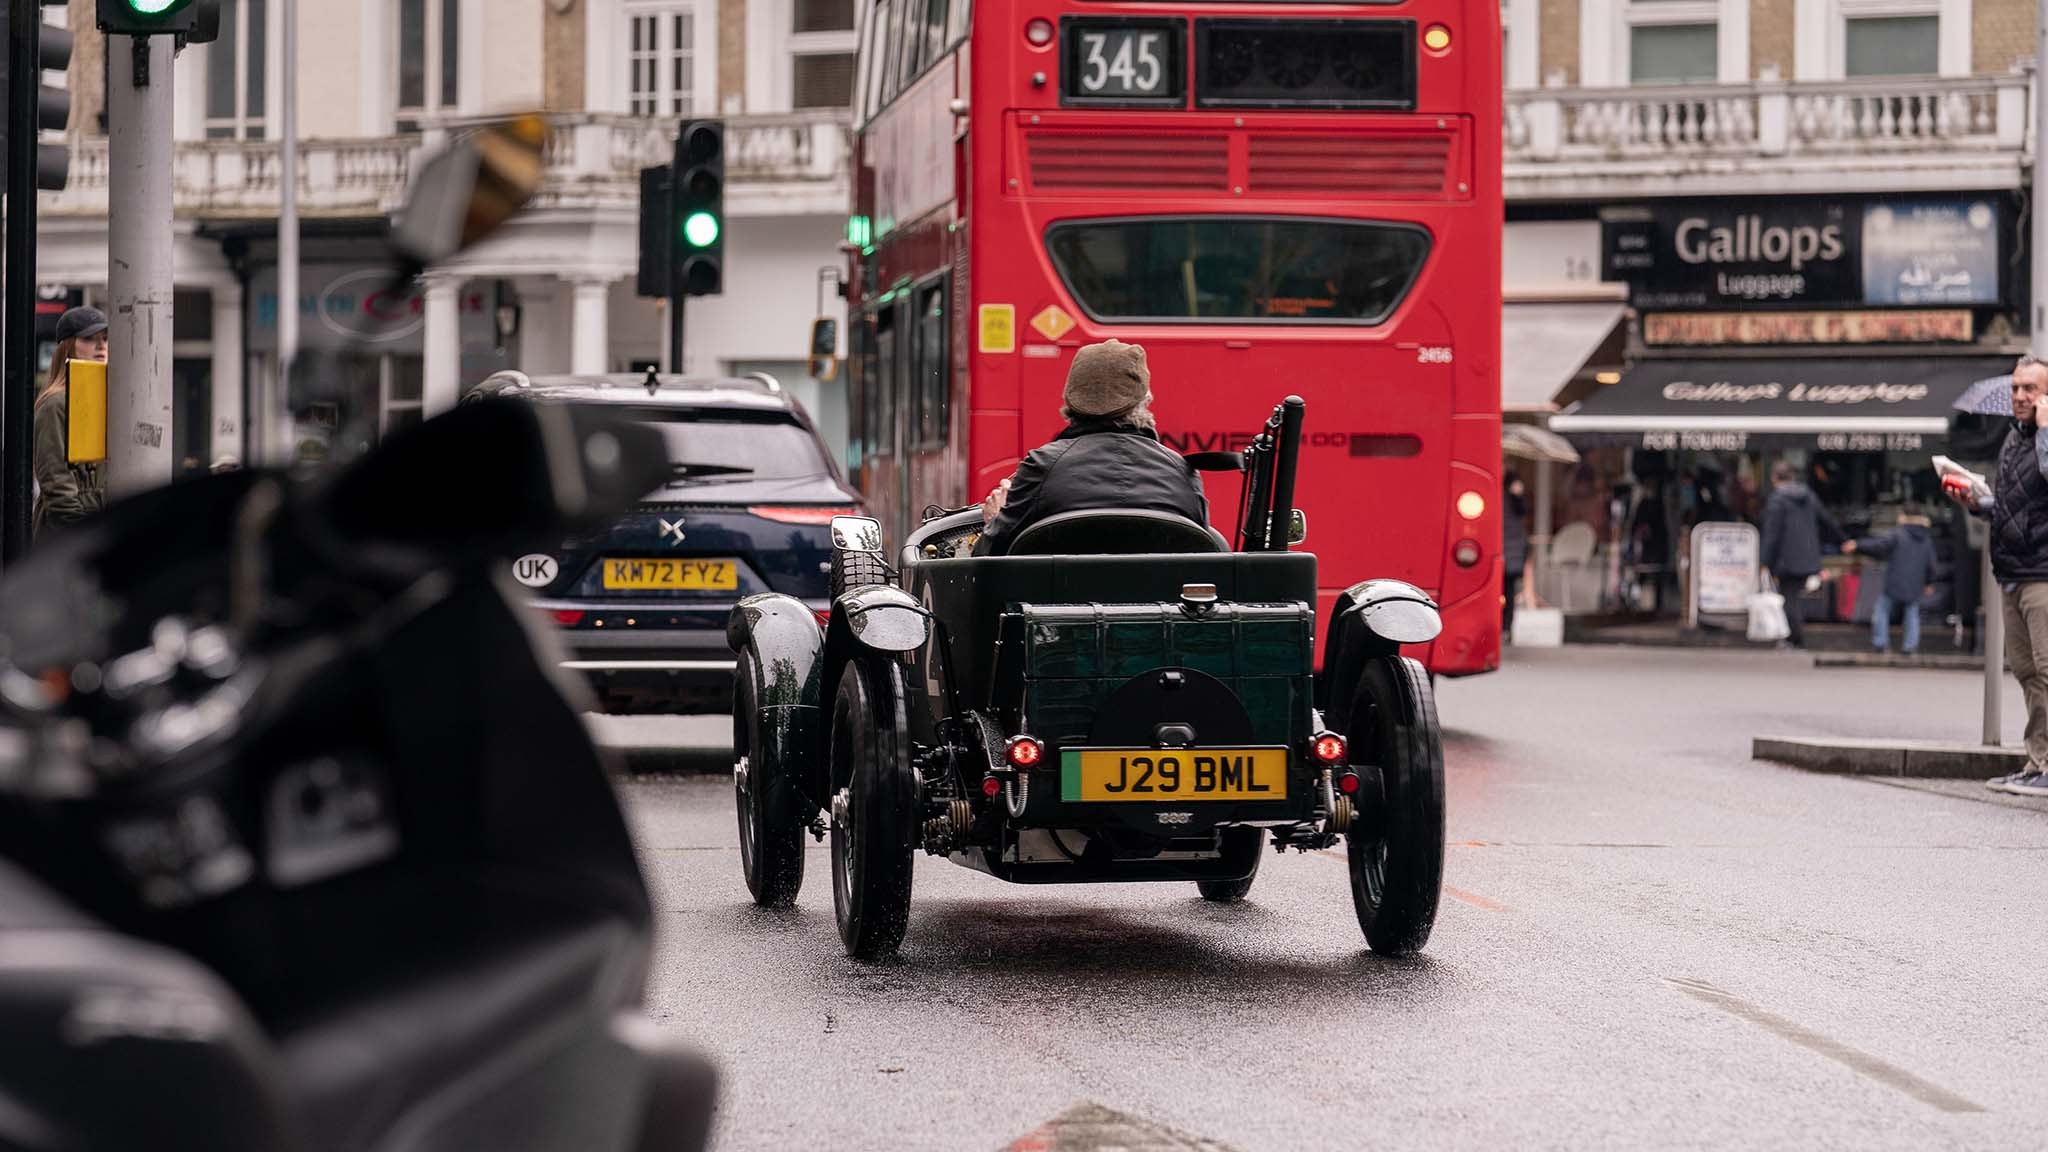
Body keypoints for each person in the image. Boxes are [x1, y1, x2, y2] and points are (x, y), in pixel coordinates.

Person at [978, 339, 1206, 555]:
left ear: (1070, 400)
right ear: (1145, 400)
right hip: (1163, 595)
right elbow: (1208, 560)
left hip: (1058, 596)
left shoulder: (1041, 467)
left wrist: (997, 520)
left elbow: (986, 562)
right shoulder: (1182, 472)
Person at [1953, 354, 2048, 797]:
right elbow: (2016, 504)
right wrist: (1979, 502)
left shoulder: (2043, 436)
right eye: (2015, 388)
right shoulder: (2012, 439)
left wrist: (2046, 430)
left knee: (2047, 671)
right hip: (2012, 571)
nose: (2020, 396)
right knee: (2028, 671)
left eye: (2030, 388)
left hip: (2043, 574)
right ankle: (2037, 761)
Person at [31, 306, 110, 540]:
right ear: (68, 345)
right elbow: (56, 484)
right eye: (89, 338)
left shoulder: (106, 399)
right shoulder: (55, 404)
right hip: (67, 533)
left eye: (105, 338)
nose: (101, 346)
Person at [1761, 459, 1845, 649]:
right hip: (1808, 557)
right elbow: (1826, 520)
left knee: (1789, 598)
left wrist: (1765, 560)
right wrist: (1843, 539)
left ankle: (1795, 638)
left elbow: (1772, 534)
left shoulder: (1777, 499)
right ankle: (1793, 637)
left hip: (1786, 559)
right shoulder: (1808, 496)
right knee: (1794, 597)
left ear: (1774, 478)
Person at [1851, 506, 1936, 655]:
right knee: (1912, 614)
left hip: (1895, 580)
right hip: (1915, 582)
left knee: (1882, 610)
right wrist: (1929, 582)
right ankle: (1910, 647)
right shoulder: (1926, 538)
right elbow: (1931, 563)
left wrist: (1858, 545)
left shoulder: (1897, 534)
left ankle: (1881, 643)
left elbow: (1878, 546)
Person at [1502, 473, 1529, 637]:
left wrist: (1517, 495)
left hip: (1510, 552)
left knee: (1509, 592)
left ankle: (1506, 627)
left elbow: (1523, 510)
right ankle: (1504, 627)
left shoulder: (1513, 499)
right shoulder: (1499, 496)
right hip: (1507, 551)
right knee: (1506, 592)